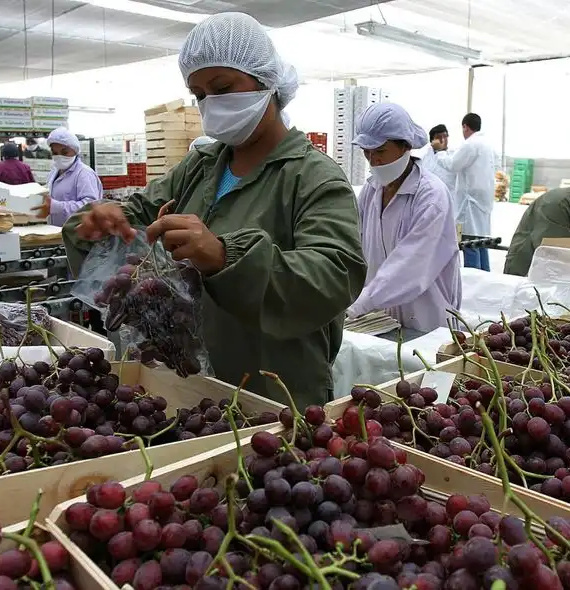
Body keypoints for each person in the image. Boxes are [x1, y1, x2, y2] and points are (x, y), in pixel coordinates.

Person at [62, 12, 366, 407]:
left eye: (222, 87)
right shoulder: (201, 167)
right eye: (200, 94)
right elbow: (134, 216)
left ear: (266, 81)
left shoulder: (313, 177)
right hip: (187, 386)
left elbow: (335, 274)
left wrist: (225, 257)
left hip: (273, 393)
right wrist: (99, 222)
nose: (211, 103)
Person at [346, 104, 461, 333]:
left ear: (406, 146)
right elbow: (354, 247)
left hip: (426, 323)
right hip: (380, 320)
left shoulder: (430, 196)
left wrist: (361, 303)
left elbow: (410, 264)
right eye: (366, 152)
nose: (372, 160)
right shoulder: (371, 191)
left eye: (380, 151)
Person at [433, 113, 496, 271]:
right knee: (482, 241)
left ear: (465, 127)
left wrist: (440, 152)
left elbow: (454, 165)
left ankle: (473, 281)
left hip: (470, 203)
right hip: (482, 202)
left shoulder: (470, 144)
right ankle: (485, 278)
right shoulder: (487, 144)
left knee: (469, 241)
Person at [32, 128, 103, 226]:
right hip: (57, 232)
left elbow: (91, 206)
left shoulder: (84, 174)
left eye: (64, 152)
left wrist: (56, 206)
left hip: (77, 236)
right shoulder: (55, 171)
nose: (59, 156)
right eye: (55, 153)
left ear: (75, 150)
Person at [419, 124, 457, 194]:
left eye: (445, 136)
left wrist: (440, 151)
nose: (442, 140)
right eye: (438, 137)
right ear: (432, 141)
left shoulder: (453, 156)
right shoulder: (424, 158)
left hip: (450, 197)